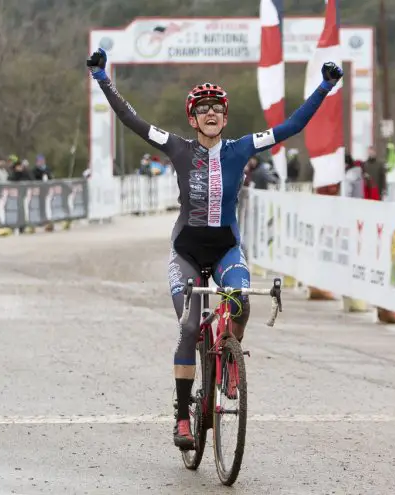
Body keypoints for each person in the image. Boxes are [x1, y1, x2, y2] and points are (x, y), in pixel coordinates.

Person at [86, 48, 344, 449]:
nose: (210, 113)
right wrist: (103, 78)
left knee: (240, 298)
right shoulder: (177, 147)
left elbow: (292, 125)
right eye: (202, 108)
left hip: (225, 247)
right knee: (190, 327)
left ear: (225, 118)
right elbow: (131, 120)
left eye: (217, 108)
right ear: (192, 118)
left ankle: (228, 360)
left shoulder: (242, 148)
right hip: (186, 250)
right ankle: (182, 419)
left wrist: (325, 87)